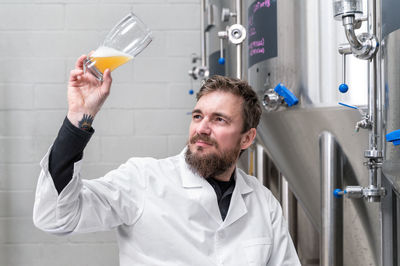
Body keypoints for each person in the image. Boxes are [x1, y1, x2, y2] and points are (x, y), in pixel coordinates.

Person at [33, 54, 301, 266]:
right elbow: (56, 217)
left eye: (219, 119)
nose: (202, 129)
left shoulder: (262, 203)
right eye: (198, 116)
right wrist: (79, 117)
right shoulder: (142, 180)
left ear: (247, 138)